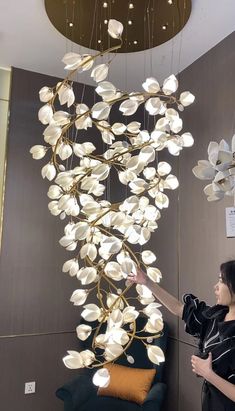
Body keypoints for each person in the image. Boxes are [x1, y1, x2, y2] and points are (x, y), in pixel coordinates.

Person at [128, 260, 235, 411]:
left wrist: (208, 373)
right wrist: (147, 282)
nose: (215, 287)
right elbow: (179, 308)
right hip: (210, 403)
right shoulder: (214, 317)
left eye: (221, 281)